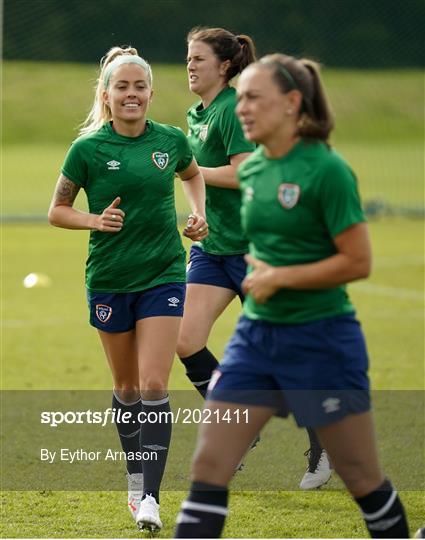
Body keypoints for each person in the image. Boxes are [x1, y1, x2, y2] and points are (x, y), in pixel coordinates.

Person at [175, 54, 410, 538]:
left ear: (291, 103)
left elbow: (357, 261)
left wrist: (282, 277)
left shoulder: (327, 170)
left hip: (321, 340)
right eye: (240, 99)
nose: (241, 109)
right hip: (256, 339)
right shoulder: (256, 168)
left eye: (253, 98)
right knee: (209, 464)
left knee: (362, 477)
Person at [48, 45, 208, 532]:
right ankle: (135, 478)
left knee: (155, 383)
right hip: (110, 280)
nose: (132, 94)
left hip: (163, 274)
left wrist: (198, 214)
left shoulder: (171, 141)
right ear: (107, 94)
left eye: (140, 86)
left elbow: (193, 174)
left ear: (151, 93)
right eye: (123, 86)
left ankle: (150, 498)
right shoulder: (88, 149)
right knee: (126, 388)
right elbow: (57, 210)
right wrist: (95, 219)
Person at [177, 26, 331, 487]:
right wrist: (198, 214)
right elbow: (195, 182)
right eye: (188, 58)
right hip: (212, 247)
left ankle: (323, 448)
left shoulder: (231, 109)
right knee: (185, 340)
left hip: (253, 248)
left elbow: (245, 173)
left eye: (198, 59)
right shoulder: (195, 113)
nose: (190, 65)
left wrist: (189, 167)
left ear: (224, 66)